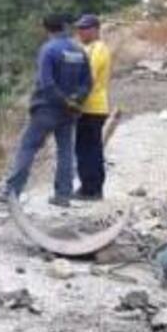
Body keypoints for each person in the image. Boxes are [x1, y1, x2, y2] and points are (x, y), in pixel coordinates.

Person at [4, 14, 92, 207]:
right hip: (69, 112)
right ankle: (63, 195)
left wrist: (63, 101)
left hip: (46, 108)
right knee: (65, 151)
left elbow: (47, 84)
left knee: (27, 148)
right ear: (65, 26)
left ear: (46, 29)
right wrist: (75, 101)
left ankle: (12, 194)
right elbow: (87, 83)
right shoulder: (79, 51)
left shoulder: (48, 50)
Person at [73, 14, 112, 200]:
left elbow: (89, 76)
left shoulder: (99, 49)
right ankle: (86, 186)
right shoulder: (85, 48)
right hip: (84, 108)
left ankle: (93, 189)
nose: (81, 32)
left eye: (85, 28)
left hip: (93, 106)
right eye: (79, 28)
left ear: (96, 29)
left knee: (91, 149)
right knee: (83, 148)